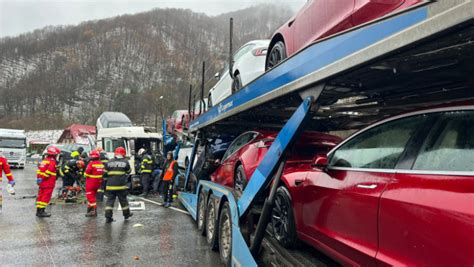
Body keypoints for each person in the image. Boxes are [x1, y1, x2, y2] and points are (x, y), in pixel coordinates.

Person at [104, 147, 133, 223]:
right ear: (123, 154)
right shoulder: (125, 162)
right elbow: (129, 171)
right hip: (121, 186)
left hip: (110, 186)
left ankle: (108, 217)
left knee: (110, 202)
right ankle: (126, 215)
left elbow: (104, 173)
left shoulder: (109, 162)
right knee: (123, 201)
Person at [36, 146, 60, 217]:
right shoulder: (52, 162)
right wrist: (43, 178)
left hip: (42, 183)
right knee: (46, 197)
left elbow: (39, 171)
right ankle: (42, 211)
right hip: (48, 182)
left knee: (40, 196)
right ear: (54, 155)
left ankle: (38, 211)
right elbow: (48, 172)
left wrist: (39, 179)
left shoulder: (44, 160)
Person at [84, 150, 105, 217]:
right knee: (93, 196)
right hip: (98, 183)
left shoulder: (91, 164)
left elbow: (86, 173)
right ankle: (90, 209)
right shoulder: (101, 164)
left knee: (90, 196)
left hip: (91, 183)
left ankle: (93, 211)